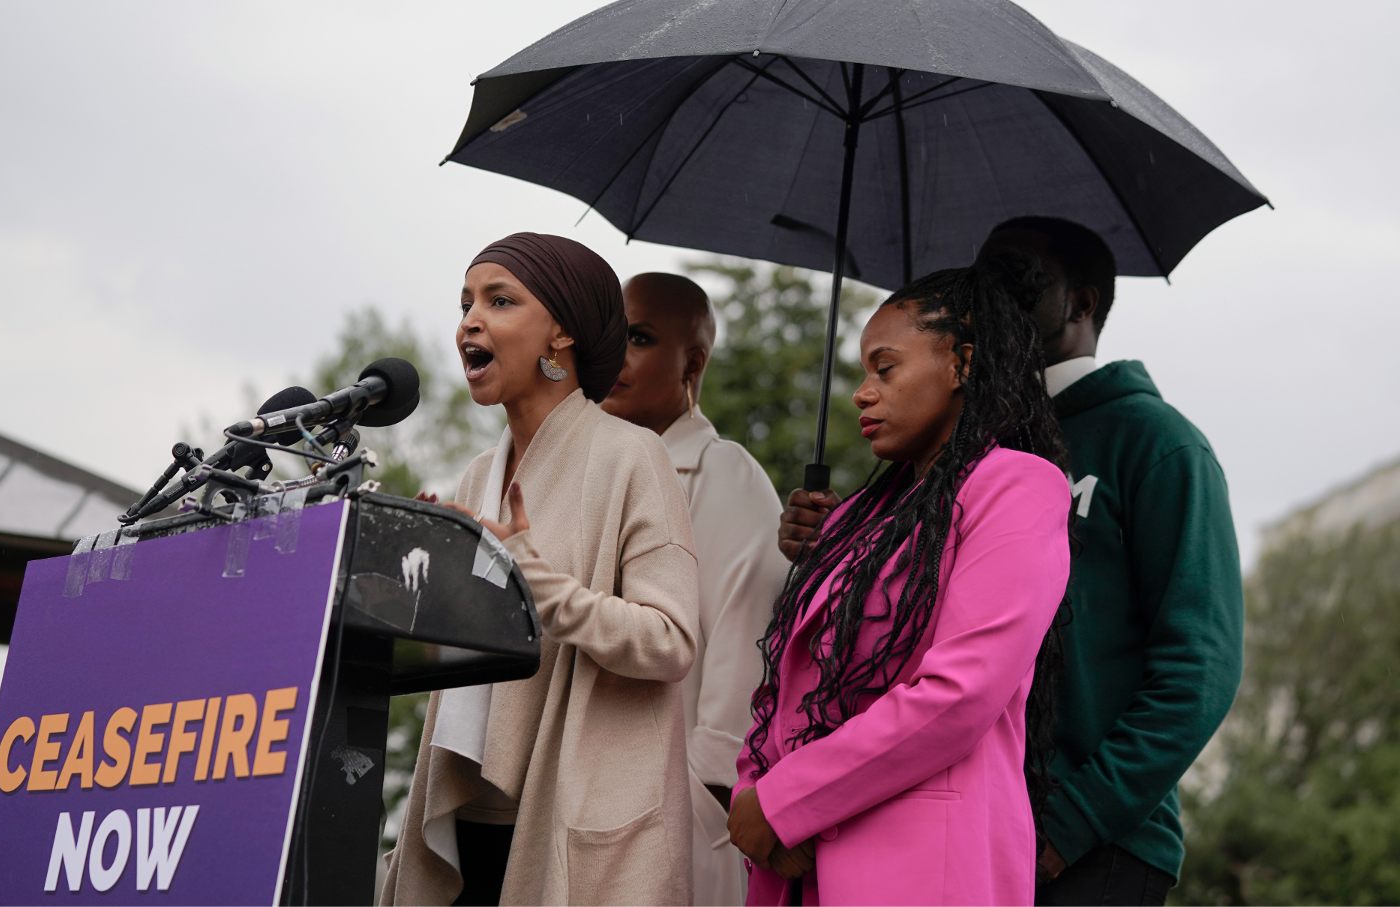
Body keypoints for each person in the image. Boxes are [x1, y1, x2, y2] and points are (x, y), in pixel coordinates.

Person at [779, 217, 1245, 905]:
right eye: (983, 276)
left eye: (1019, 279)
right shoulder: (963, 441)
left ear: (1082, 304)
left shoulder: (1158, 443)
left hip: (1092, 840)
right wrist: (831, 544)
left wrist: (1072, 821)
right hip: (955, 821)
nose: (989, 294)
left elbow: (1199, 667)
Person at [729, 257, 1073, 905]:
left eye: (885, 368)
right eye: (862, 371)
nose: (863, 391)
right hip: (795, 866)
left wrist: (785, 798)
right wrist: (752, 787)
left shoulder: (1018, 488)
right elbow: (785, 684)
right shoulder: (855, 516)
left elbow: (959, 693)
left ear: (962, 364)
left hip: (920, 867)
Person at [381, 233, 699, 906]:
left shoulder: (632, 455)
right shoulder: (475, 475)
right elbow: (465, 656)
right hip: (469, 817)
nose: (470, 319)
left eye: (500, 300)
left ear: (561, 334)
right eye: (466, 302)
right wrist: (413, 588)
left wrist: (539, 582)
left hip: (571, 818)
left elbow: (670, 641)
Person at [600, 272, 791, 906]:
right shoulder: (590, 475)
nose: (614, 355)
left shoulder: (723, 473)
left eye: (640, 337)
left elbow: (747, 656)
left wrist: (705, 800)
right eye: (608, 336)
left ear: (694, 362)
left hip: (674, 826)